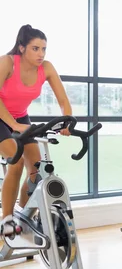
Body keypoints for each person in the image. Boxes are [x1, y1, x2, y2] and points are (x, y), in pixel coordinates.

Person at [0, 25, 73, 236]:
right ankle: (6, 220)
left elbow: (63, 100)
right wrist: (13, 125)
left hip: (20, 118)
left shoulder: (46, 67)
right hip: (3, 117)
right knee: (16, 158)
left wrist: (66, 121)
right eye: (35, 48)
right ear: (21, 48)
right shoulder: (7, 62)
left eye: (43, 49)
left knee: (36, 169)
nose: (41, 54)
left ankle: (25, 214)